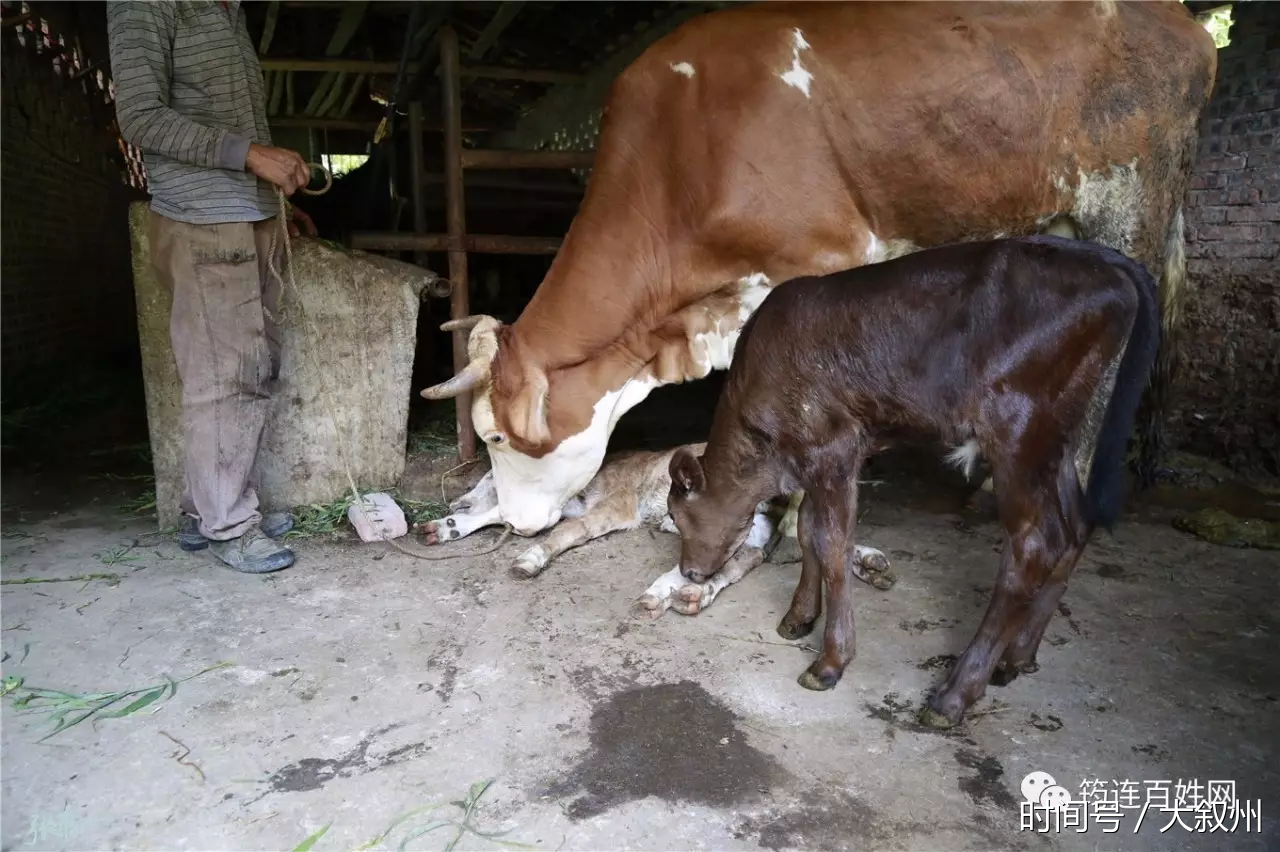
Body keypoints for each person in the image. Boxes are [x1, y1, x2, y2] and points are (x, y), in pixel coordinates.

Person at [107, 1, 313, 573]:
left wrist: (265, 198)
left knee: (250, 363)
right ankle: (228, 524)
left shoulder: (228, 9)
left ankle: (210, 507)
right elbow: (140, 118)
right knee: (224, 371)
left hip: (242, 213)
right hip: (200, 216)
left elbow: (231, 120)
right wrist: (250, 155)